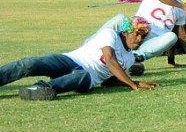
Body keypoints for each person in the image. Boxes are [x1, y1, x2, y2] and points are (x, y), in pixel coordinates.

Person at [1, 15, 159, 100]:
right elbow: (110, 60)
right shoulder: (110, 35)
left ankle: (40, 89)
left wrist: (135, 82)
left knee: (82, 75)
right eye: (137, 34)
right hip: (71, 59)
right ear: (125, 32)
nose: (139, 40)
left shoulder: (130, 58)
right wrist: (133, 85)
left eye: (143, 37)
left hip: (86, 78)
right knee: (29, 64)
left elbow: (108, 81)